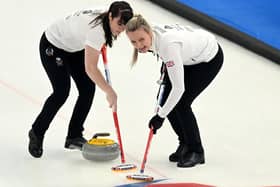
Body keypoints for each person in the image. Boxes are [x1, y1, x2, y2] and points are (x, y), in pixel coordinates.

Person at [28, 1, 133, 158]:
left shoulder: (108, 15)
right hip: (53, 44)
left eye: (124, 26)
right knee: (61, 92)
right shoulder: (96, 31)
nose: (121, 29)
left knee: (87, 89)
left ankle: (74, 136)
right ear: (110, 16)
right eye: (119, 24)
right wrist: (109, 91)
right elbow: (91, 68)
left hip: (73, 47)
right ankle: (37, 132)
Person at [125, 15, 224, 168]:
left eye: (141, 40)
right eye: (133, 42)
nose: (138, 45)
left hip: (207, 58)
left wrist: (160, 117)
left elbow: (179, 89)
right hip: (186, 57)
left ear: (149, 33)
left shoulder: (168, 45)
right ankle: (185, 143)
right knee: (167, 102)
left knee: (182, 103)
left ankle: (196, 151)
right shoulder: (150, 33)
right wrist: (162, 110)